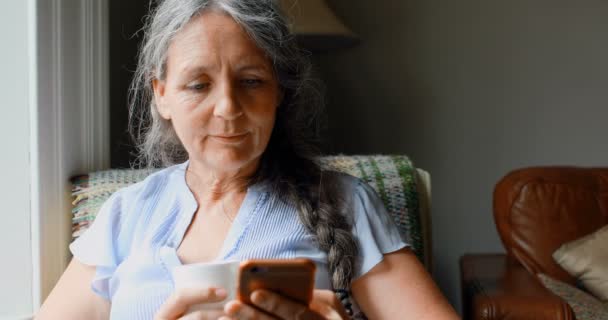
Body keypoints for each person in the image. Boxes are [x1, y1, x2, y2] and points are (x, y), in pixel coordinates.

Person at [36, 0, 460, 319]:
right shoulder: (126, 215)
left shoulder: (344, 202)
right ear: (161, 95)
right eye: (198, 85)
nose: (227, 108)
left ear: (279, 91)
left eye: (251, 81)